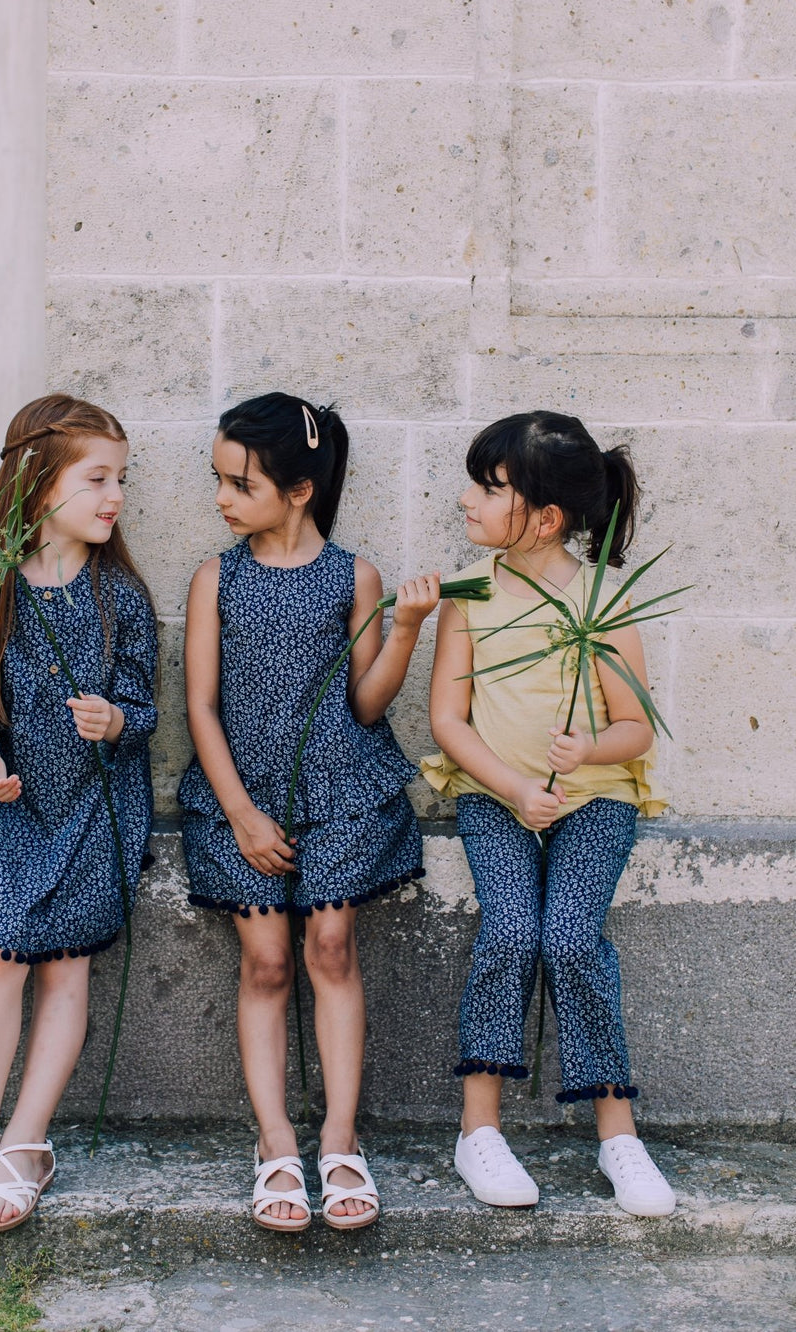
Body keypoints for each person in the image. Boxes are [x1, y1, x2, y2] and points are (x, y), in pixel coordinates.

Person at [180, 392, 440, 1233]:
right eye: (219, 480)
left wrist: (402, 630)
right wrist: (243, 814)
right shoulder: (217, 576)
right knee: (266, 962)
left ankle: (339, 1137)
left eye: (239, 484)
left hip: (339, 792)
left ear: (298, 490)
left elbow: (368, 705)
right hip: (239, 797)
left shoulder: (351, 575)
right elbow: (201, 706)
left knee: (329, 945)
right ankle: (275, 1140)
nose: (221, 499)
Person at [0, 395, 157, 1233]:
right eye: (97, 477)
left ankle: (26, 1141)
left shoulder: (119, 594)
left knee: (67, 966)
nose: (114, 495)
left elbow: (145, 706)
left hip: (92, 804)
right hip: (6, 806)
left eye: (120, 478)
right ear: (39, 482)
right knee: (1, 959)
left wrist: (117, 721)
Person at [424, 409, 675, 1218]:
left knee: (570, 937)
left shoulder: (603, 599)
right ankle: (479, 1130)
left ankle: (618, 1135)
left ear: (545, 517)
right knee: (510, 933)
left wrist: (588, 755)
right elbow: (447, 720)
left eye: (487, 487)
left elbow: (636, 725)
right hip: (495, 800)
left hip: (593, 802)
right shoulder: (469, 591)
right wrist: (511, 786)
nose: (466, 499)